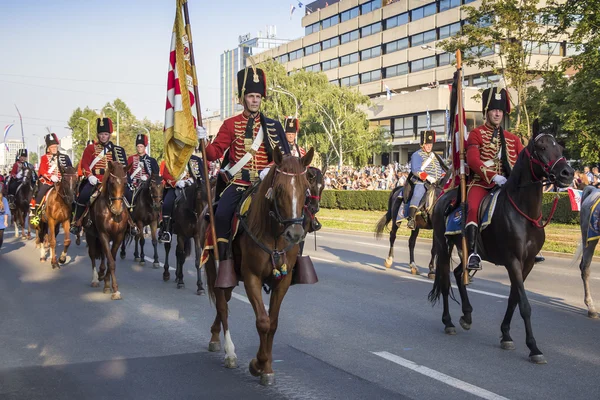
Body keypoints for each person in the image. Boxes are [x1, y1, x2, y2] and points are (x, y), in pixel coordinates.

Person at [195, 66, 289, 266]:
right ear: (242, 99)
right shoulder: (230, 124)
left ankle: (293, 261)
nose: (255, 100)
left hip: (266, 184)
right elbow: (214, 153)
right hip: (239, 183)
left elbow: (284, 157)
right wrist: (202, 142)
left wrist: (269, 168)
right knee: (221, 215)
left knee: (293, 212)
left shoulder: (273, 126)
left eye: (258, 96)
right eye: (251, 96)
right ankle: (225, 264)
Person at [465, 87, 524, 271]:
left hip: (507, 184)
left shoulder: (513, 139)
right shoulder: (476, 133)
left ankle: (529, 246)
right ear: (487, 112)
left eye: (500, 110)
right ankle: (473, 252)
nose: (497, 113)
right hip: (482, 183)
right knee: (473, 207)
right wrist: (493, 176)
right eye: (493, 110)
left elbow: (524, 160)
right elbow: (473, 159)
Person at [71, 117, 127, 234]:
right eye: (101, 134)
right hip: (94, 180)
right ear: (98, 135)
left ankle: (131, 224)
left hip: (111, 182)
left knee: (128, 198)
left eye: (106, 134)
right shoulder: (90, 148)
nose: (103, 136)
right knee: (83, 196)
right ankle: (77, 222)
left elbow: (122, 168)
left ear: (109, 135)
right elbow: (85, 164)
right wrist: (90, 176)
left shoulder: (117, 150)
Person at [158, 151, 203, 243]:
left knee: (202, 203)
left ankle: (205, 226)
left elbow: (202, 176)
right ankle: (166, 231)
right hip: (176, 187)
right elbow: (166, 174)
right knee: (167, 204)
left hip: (192, 188)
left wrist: (192, 181)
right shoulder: (172, 158)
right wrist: (176, 182)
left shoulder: (196, 160)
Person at [29, 133, 73, 227]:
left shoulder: (64, 157)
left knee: (72, 195)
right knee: (40, 194)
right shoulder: (44, 158)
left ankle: (73, 217)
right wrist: (50, 176)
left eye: (55, 147)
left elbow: (70, 169)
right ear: (48, 148)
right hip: (49, 182)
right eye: (52, 147)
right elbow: (41, 170)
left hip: (62, 183)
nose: (54, 148)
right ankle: (36, 214)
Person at [406, 130, 446, 230]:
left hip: (437, 183)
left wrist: (442, 176)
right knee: (417, 194)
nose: (429, 146)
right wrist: (428, 177)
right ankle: (411, 219)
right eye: (427, 144)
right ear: (422, 144)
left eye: (431, 144)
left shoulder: (436, 156)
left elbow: (442, 169)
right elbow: (416, 170)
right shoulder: (417, 155)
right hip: (422, 182)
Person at [125, 133, 159, 207]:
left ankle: (159, 216)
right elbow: (127, 173)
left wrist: (147, 177)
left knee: (156, 199)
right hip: (133, 186)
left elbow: (156, 175)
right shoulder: (131, 159)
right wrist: (130, 183)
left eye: (141, 146)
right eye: (137, 146)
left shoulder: (151, 160)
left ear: (145, 147)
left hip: (146, 186)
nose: (139, 148)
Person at [0, 175, 10, 252]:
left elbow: (6, 211)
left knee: (0, 238)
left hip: (1, 221)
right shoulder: (17, 165)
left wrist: (6, 221)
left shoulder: (4, 200)